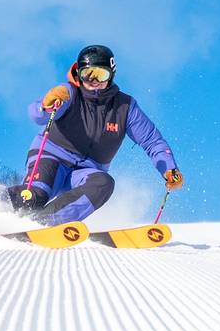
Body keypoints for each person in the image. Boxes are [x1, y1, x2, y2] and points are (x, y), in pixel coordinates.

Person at [13, 44, 183, 225]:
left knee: (104, 183)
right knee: (36, 195)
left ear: (111, 74)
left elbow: (151, 140)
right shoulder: (68, 93)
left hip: (86, 172)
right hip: (52, 157)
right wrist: (46, 105)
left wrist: (169, 168)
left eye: (101, 75)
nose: (94, 82)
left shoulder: (125, 107)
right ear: (79, 74)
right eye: (88, 74)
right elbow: (38, 115)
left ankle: (45, 222)